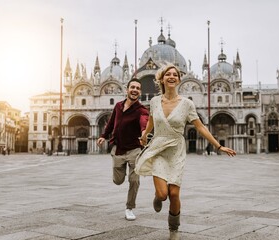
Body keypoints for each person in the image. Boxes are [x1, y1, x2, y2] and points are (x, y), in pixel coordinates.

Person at [135, 63, 236, 240]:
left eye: (175, 74)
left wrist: (218, 146)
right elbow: (151, 123)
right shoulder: (154, 102)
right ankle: (158, 197)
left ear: (179, 79)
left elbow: (201, 127)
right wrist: (144, 136)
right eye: (168, 74)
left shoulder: (187, 104)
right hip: (158, 148)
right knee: (163, 194)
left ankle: (173, 229)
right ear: (162, 79)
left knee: (174, 193)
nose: (172, 77)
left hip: (176, 150)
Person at [97, 78, 149, 221]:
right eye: (132, 87)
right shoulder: (118, 106)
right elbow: (112, 122)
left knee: (134, 180)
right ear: (127, 89)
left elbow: (144, 122)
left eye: (138, 88)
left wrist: (144, 133)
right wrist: (103, 136)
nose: (135, 90)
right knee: (118, 181)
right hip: (118, 149)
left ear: (140, 92)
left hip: (134, 150)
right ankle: (120, 170)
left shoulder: (142, 110)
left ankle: (129, 208)